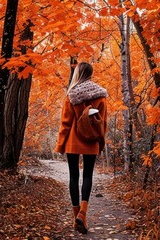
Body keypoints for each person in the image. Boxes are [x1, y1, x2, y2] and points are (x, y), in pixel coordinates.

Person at [55, 62, 108, 234]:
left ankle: (76, 216)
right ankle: (83, 215)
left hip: (72, 141)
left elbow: (65, 123)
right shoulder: (100, 95)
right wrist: (101, 142)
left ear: (78, 73)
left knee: (73, 176)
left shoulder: (71, 95)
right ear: (91, 74)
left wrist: (61, 145)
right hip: (91, 141)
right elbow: (103, 123)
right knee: (87, 175)